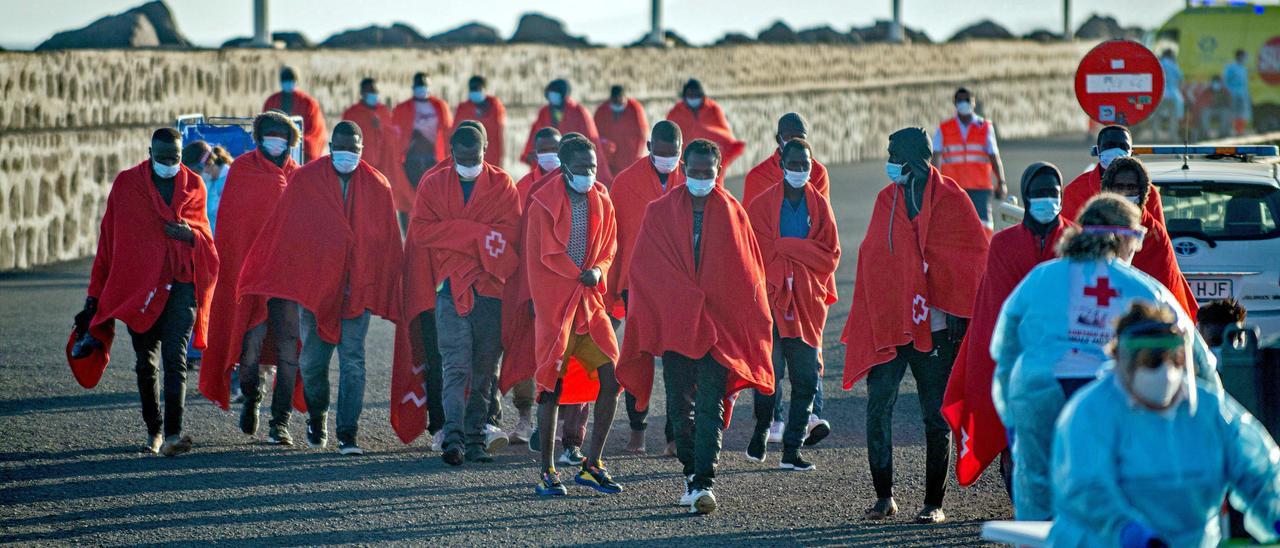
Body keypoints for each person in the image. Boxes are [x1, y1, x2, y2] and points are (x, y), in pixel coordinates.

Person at [991, 193, 1217, 521]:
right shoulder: (1145, 289)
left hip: (1039, 394)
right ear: (1124, 237)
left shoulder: (1040, 278)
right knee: (1116, 497)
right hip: (1111, 399)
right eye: (1136, 240)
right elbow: (1196, 356)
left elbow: (1004, 347)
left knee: (1040, 498)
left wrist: (1010, 413)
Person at [616, 139, 775, 515]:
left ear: (718, 172)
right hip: (676, 326)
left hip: (719, 328)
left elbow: (747, 272)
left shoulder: (734, 213)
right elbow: (644, 267)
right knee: (678, 409)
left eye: (709, 172)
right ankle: (691, 471)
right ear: (683, 170)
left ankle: (704, 480)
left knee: (709, 406)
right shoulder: (659, 212)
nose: (702, 178)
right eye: (695, 171)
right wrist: (681, 298)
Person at [841, 127, 988, 524]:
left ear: (910, 157)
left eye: (893, 153)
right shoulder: (885, 200)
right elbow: (873, 257)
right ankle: (884, 497)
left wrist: (960, 307)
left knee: (935, 416)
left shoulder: (952, 200)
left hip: (937, 326)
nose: (888, 160)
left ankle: (933, 503)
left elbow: (972, 255)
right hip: (891, 324)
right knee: (878, 408)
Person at [1049, 301, 1279, 547]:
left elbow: (1259, 474)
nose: (1163, 370)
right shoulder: (1092, 412)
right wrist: (1129, 533)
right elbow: (1085, 490)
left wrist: (1275, 516)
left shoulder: (1209, 410)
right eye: (1150, 360)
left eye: (1170, 357)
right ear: (1122, 359)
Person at [237, 121, 403, 456]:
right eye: (341, 149)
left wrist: (387, 287)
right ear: (330, 147)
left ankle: (348, 433)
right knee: (312, 364)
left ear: (362, 149)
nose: (347, 155)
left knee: (354, 360)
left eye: (353, 150)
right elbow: (285, 232)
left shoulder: (377, 185)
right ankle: (317, 416)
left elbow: (388, 242)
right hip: (315, 292)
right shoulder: (306, 180)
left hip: (357, 291)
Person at [70, 128, 219, 456]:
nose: (169, 163)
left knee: (175, 359)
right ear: (150, 152)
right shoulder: (126, 185)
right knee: (145, 363)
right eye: (163, 157)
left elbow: (206, 236)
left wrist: (189, 235)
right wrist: (94, 298)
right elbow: (108, 243)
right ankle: (154, 430)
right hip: (140, 288)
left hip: (181, 285)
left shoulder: (194, 184)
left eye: (175, 158)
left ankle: (173, 435)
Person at [939, 162, 1074, 495]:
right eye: (1039, 193)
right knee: (1015, 443)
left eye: (1053, 193)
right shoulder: (1003, 244)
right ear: (1026, 197)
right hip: (1018, 361)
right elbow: (999, 305)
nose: (1047, 200)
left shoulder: (1076, 240)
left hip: (1065, 360)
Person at [517, 137, 624, 496]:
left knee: (612, 375)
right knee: (551, 386)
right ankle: (547, 471)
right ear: (564, 168)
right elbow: (539, 260)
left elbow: (609, 247)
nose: (588, 174)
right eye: (581, 169)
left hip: (589, 305)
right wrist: (574, 276)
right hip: (556, 307)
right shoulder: (542, 205)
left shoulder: (602, 199)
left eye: (592, 167)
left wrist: (597, 270)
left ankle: (592, 464)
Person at [410, 125, 521, 466]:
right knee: (455, 367)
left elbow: (509, 236)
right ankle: (453, 439)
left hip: (491, 291)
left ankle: (476, 439)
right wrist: (473, 233)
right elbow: (421, 231)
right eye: (462, 158)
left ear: (487, 149)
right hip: (448, 290)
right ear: (452, 152)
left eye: (475, 158)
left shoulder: (502, 184)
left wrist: (457, 234)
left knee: (484, 371)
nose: (469, 163)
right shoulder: (433, 184)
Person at [197, 112, 303, 444]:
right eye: (270, 136)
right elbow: (233, 229)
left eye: (281, 136)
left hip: (287, 280)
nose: (276, 142)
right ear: (258, 138)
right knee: (250, 349)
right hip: (251, 278)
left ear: (290, 140)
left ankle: (280, 422)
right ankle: (252, 396)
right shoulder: (243, 170)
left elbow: (307, 229)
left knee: (289, 351)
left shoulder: (299, 177)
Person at [744, 138, 840, 470]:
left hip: (807, 302)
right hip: (771, 300)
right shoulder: (760, 205)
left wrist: (785, 246)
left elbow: (829, 257)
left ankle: (791, 450)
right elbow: (752, 251)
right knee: (769, 375)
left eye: (805, 165)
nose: (800, 170)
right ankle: (761, 429)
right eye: (794, 164)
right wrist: (794, 251)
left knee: (806, 380)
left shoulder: (821, 207)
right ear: (782, 165)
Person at [606, 120, 686, 454]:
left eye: (674, 154)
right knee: (637, 356)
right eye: (661, 152)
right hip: (636, 283)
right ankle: (637, 431)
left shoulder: (692, 179)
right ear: (650, 146)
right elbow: (615, 238)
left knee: (677, 360)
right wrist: (612, 288)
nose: (667, 159)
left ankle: (674, 435)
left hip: (681, 286)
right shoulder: (626, 183)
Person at [1099, 157, 1198, 319]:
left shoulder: (1154, 233)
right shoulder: (1097, 227)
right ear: (1109, 189)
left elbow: (1165, 287)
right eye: (1119, 187)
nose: (1125, 192)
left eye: (1131, 187)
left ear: (1141, 191)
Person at [932, 88, 1007, 230]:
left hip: (980, 188)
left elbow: (994, 157)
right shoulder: (944, 128)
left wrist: (1001, 182)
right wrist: (935, 183)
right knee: (954, 227)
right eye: (960, 100)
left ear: (973, 102)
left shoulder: (985, 127)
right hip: (953, 187)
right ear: (955, 103)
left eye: (967, 100)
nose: (964, 103)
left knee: (984, 227)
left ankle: (985, 253)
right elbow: (936, 156)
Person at [1061, 125, 1164, 225]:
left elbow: (1158, 236)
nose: (1116, 151)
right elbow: (1066, 237)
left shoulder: (1149, 194)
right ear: (1098, 151)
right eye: (1109, 146)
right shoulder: (1074, 191)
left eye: (1123, 147)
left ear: (1131, 152)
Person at [520, 79, 613, 183]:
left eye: (556, 92)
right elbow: (535, 135)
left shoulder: (579, 112)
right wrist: (529, 154)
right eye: (551, 92)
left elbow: (591, 141)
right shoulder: (544, 112)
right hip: (547, 163)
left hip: (573, 165)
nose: (553, 96)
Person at [342, 78, 408, 214]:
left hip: (384, 166)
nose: (373, 93)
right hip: (360, 166)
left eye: (375, 91)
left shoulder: (383, 111)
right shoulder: (353, 113)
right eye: (370, 90)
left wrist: (381, 127)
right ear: (362, 92)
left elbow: (392, 136)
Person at [742, 112, 830, 208]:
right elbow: (750, 219)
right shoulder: (757, 176)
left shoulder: (818, 172)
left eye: (800, 138)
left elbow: (823, 215)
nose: (794, 142)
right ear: (778, 139)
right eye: (789, 137)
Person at [393, 72, 453, 210]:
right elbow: (395, 136)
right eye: (419, 84)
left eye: (425, 84)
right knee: (409, 200)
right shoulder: (402, 108)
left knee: (435, 199)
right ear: (413, 87)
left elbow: (448, 132)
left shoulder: (440, 106)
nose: (422, 88)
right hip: (410, 160)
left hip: (434, 159)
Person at [664, 80, 746, 179]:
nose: (693, 98)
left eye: (696, 94)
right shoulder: (676, 112)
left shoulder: (713, 109)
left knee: (712, 185)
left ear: (702, 94)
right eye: (690, 95)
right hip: (685, 162)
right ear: (684, 96)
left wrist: (705, 131)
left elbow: (724, 133)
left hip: (709, 158)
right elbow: (668, 135)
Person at [263, 66, 327, 162]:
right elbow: (263, 126)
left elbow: (315, 132)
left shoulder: (308, 103)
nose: (288, 83)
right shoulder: (272, 101)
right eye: (285, 80)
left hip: (301, 153)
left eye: (290, 80)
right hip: (273, 150)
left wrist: (294, 142)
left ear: (296, 81)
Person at [594, 85, 649, 177]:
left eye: (619, 102)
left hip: (630, 158)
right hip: (609, 161)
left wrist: (638, 157)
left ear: (624, 98)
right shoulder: (602, 110)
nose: (617, 105)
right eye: (614, 102)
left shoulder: (635, 109)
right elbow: (594, 134)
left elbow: (642, 134)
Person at [453, 75, 506, 168]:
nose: (475, 92)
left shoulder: (495, 107)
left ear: (485, 89)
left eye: (477, 88)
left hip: (491, 156)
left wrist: (501, 158)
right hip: (468, 157)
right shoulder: (463, 108)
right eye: (472, 89)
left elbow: (499, 134)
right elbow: (454, 133)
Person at [516, 127, 562, 203]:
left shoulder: (573, 182)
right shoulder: (524, 186)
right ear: (535, 154)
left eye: (555, 149)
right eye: (544, 150)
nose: (550, 154)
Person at [199, 146, 232, 236]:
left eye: (202, 169)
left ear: (210, 164)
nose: (202, 173)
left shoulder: (231, 179)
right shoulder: (210, 182)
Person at [1158, 49, 1186, 140]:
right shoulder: (1174, 65)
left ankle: (1155, 137)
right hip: (1174, 95)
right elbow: (1181, 79)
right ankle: (1173, 137)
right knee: (1173, 117)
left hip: (1160, 95)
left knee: (1156, 118)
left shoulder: (1159, 63)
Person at [1223, 49, 1252, 136]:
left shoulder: (1243, 68)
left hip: (1243, 94)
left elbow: (1245, 83)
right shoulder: (1231, 67)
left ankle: (1240, 130)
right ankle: (1230, 130)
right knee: (1232, 113)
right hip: (1233, 93)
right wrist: (1228, 92)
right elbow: (1225, 80)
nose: (1245, 58)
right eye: (1244, 56)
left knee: (1243, 113)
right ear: (1239, 56)